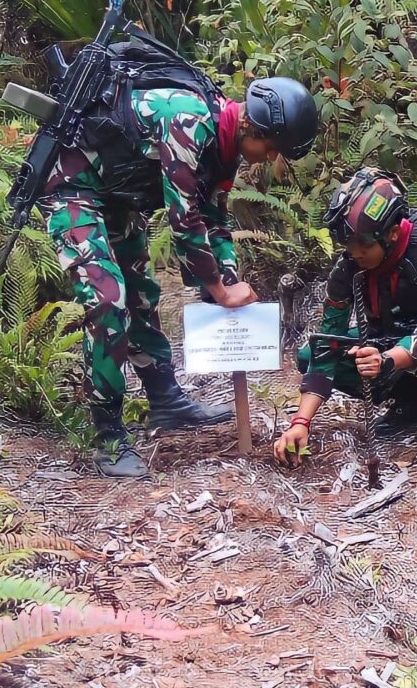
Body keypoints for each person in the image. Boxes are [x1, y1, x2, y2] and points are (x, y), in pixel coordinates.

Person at [42, 71, 318, 478]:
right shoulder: (187, 121)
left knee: (142, 293)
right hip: (72, 187)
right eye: (271, 147)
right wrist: (218, 292)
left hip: (115, 195)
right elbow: (184, 220)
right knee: (108, 301)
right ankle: (109, 438)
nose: (268, 158)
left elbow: (214, 217)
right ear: (250, 126)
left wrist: (225, 275)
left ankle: (165, 398)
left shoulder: (224, 143)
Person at [272, 168, 417, 466]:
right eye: (349, 245)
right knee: (308, 356)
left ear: (392, 233)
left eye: (364, 245)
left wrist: (386, 361)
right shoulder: (349, 267)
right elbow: (326, 347)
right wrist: (300, 422)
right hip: (393, 343)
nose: (355, 254)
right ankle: (413, 400)